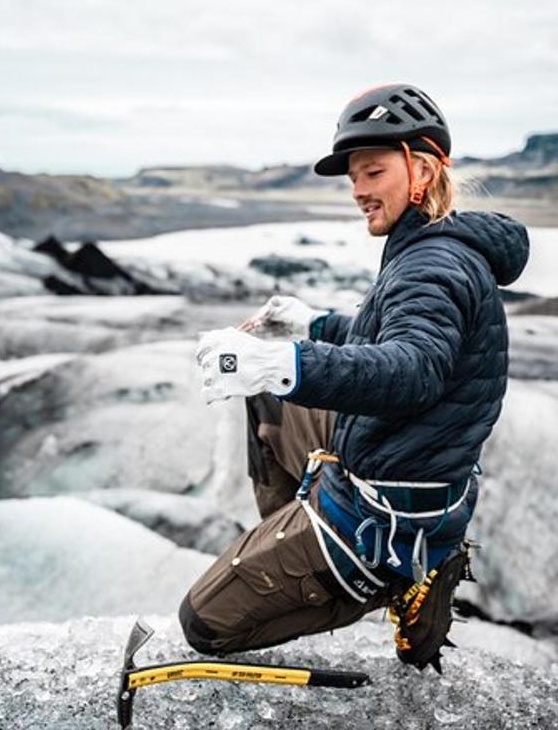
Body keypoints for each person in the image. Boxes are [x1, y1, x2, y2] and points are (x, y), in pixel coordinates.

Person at [179, 84, 530, 672]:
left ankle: (378, 579)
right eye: (353, 179)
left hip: (390, 511)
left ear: (421, 168)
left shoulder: (432, 264)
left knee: (204, 624)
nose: (359, 191)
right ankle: (297, 534)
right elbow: (393, 337)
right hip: (407, 461)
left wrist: (285, 361)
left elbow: (413, 369)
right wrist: (311, 324)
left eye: (372, 172)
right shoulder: (430, 242)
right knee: (270, 398)